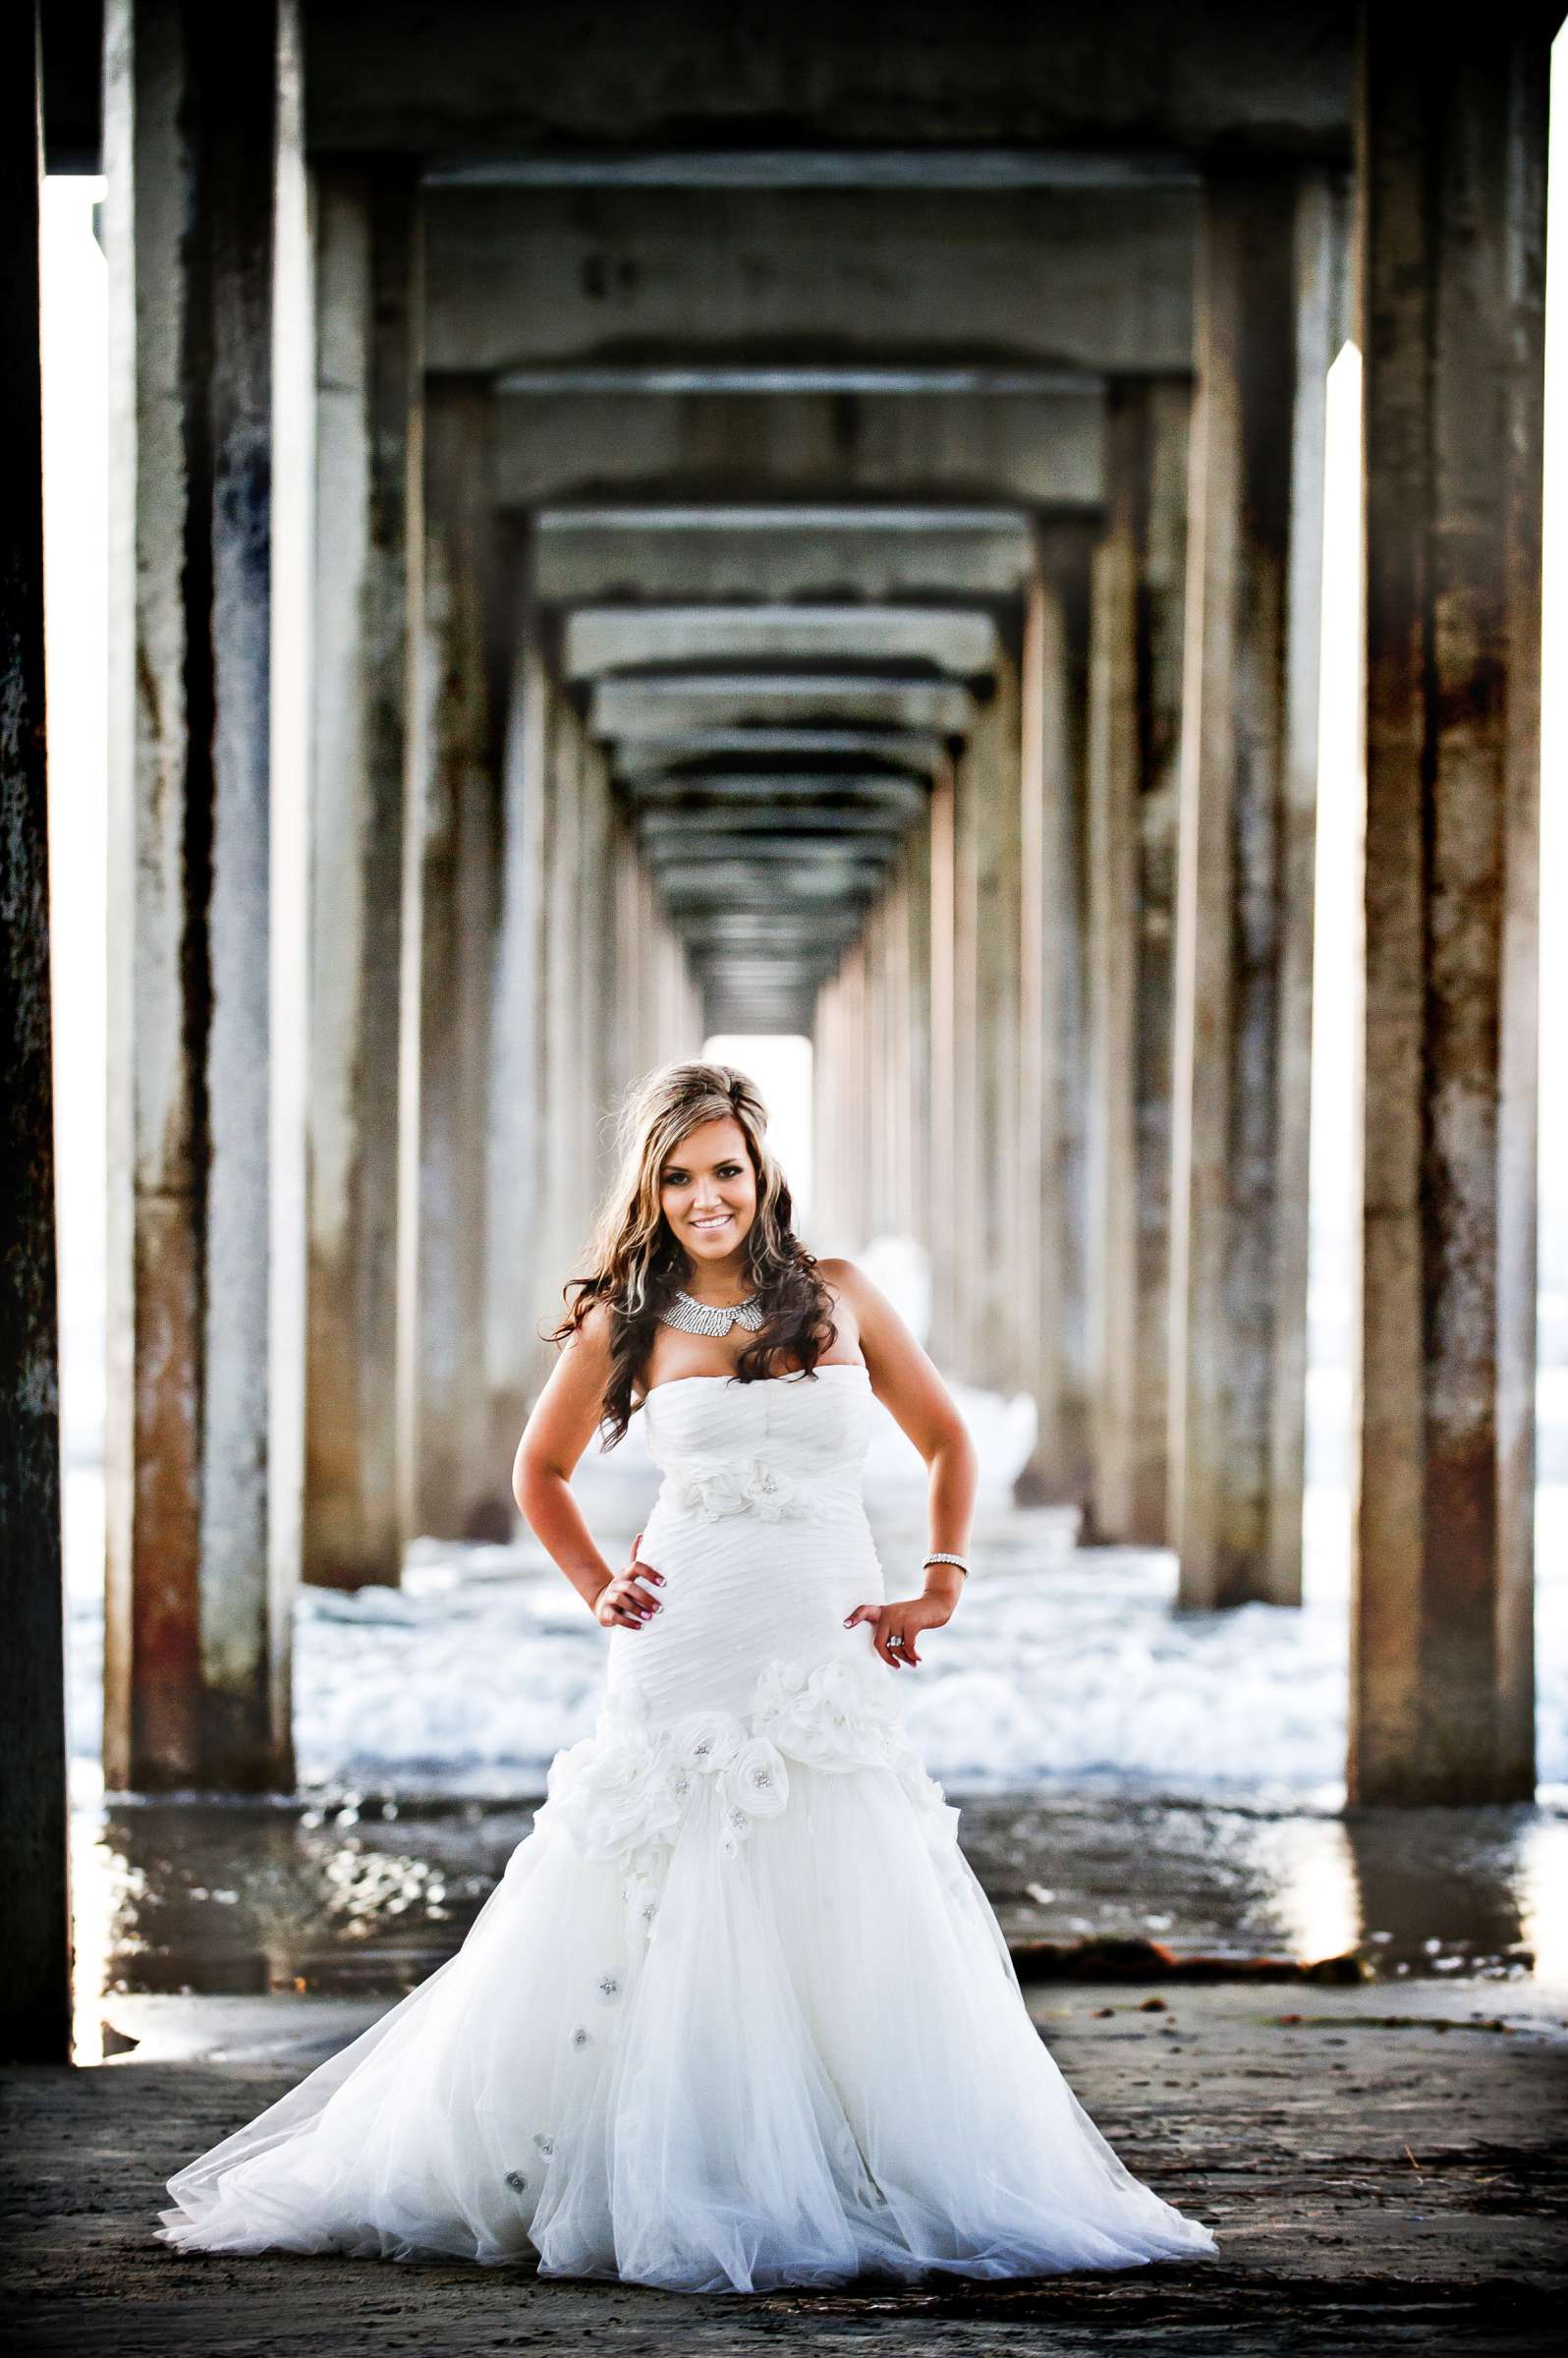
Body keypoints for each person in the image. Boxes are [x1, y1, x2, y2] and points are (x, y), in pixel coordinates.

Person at [156, 1061, 1216, 2291]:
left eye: (726, 1169)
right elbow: (538, 1475)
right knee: (653, 1877)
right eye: (678, 1175)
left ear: (762, 1173)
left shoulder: (843, 1295)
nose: (706, 1196)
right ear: (650, 1189)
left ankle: (847, 2165)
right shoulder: (626, 1317)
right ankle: (634, 2163)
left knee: (840, 1874)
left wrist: (941, 1580)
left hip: (820, 1639)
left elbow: (948, 1440)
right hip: (686, 1636)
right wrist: (595, 1585)